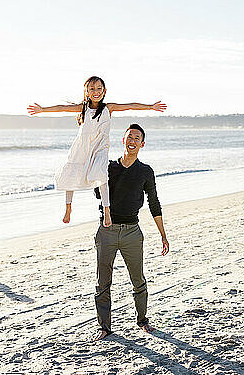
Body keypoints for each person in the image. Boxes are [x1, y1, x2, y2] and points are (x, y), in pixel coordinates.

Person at [27, 76, 166, 227]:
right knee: (71, 172)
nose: (96, 92)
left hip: (100, 146)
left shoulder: (108, 108)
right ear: (86, 92)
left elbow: (130, 105)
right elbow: (61, 108)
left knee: (101, 174)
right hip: (83, 145)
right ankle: (68, 208)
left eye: (99, 88)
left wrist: (150, 107)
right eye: (92, 89)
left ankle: (107, 210)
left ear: (104, 91)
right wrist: (42, 110)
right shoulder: (82, 108)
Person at [93, 124, 169, 341]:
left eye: (137, 137)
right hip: (106, 231)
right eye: (130, 137)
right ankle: (105, 327)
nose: (133, 140)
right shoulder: (107, 167)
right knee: (103, 282)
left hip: (132, 233)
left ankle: (142, 320)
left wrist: (162, 234)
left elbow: (154, 203)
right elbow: (98, 195)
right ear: (123, 140)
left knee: (138, 280)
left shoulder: (145, 171)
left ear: (142, 144)